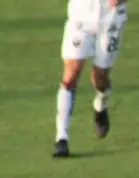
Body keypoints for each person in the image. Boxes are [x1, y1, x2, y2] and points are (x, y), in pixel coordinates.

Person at [53, 0, 128, 157]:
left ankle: (101, 104)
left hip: (111, 18)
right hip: (81, 15)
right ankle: (61, 138)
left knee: (100, 77)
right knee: (70, 75)